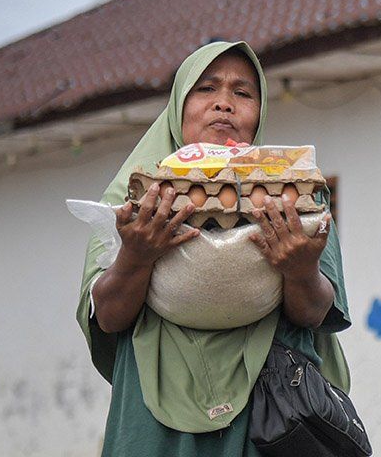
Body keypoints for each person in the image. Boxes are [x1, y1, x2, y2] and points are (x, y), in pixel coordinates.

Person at [76, 40, 352, 455]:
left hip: (271, 415)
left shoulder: (293, 194)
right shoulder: (133, 197)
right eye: (206, 89)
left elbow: (314, 312)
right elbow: (109, 317)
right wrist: (136, 258)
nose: (224, 104)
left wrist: (299, 271)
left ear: (259, 113)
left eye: (243, 93)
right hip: (155, 416)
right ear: (178, 106)